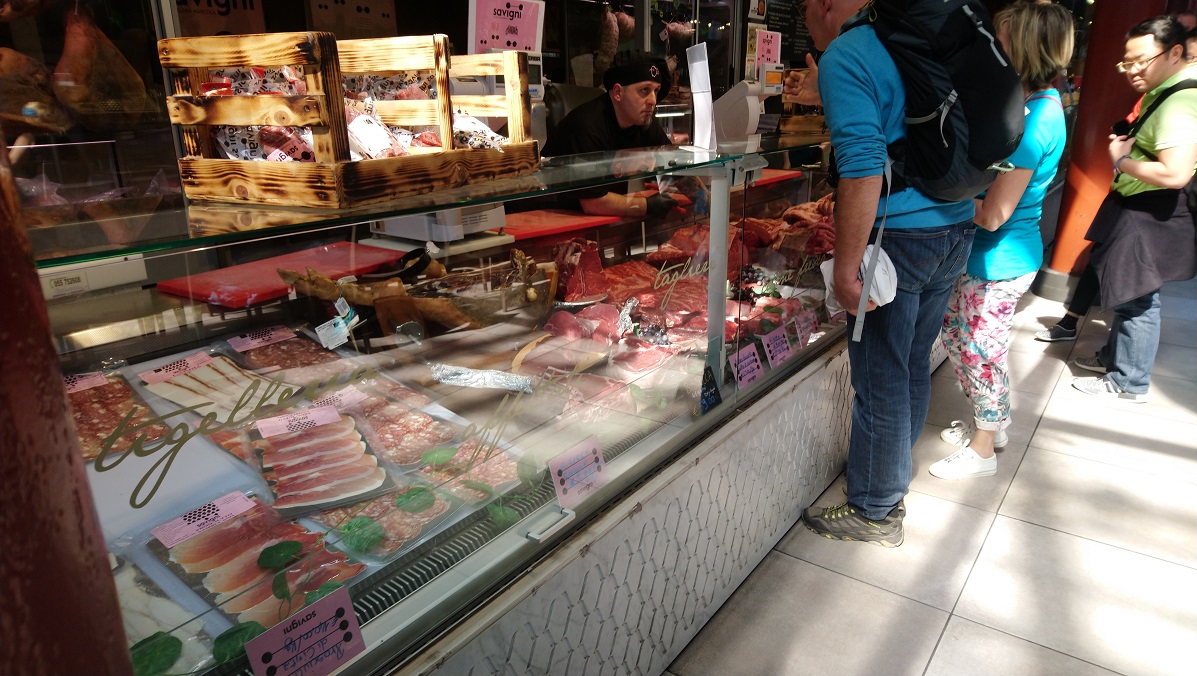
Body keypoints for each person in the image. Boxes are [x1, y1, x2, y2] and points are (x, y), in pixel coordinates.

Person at [797, 0, 976, 547]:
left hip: (898, 237)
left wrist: (847, 269)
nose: (805, 18)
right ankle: (891, 476)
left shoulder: (848, 54)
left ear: (824, 4)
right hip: (955, 225)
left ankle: (875, 510)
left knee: (879, 377)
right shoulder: (919, 39)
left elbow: (861, 168)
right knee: (910, 363)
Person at [930, 1, 1075, 480]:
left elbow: (993, 214)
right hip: (986, 256)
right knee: (959, 337)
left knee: (980, 349)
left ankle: (983, 450)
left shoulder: (1038, 119)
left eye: (1002, 39)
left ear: (1027, 47)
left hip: (1000, 258)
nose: (990, 48)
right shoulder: (1030, 103)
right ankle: (994, 423)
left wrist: (938, 193)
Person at [1071, 15, 1197, 402]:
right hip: (1144, 207)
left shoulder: (1179, 102)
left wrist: (1121, 160)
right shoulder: (1170, 91)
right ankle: (1116, 360)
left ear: (1175, 53)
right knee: (1131, 292)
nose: (1133, 70)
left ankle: (1129, 382)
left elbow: (1174, 173)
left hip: (1150, 210)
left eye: (1142, 60)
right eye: (1127, 62)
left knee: (1138, 297)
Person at [541, 51, 681, 218]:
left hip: (601, 218)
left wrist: (698, 192)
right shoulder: (587, 127)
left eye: (656, 91)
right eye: (645, 90)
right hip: (554, 216)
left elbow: (672, 162)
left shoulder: (643, 122)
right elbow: (593, 202)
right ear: (617, 92)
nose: (653, 100)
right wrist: (648, 205)